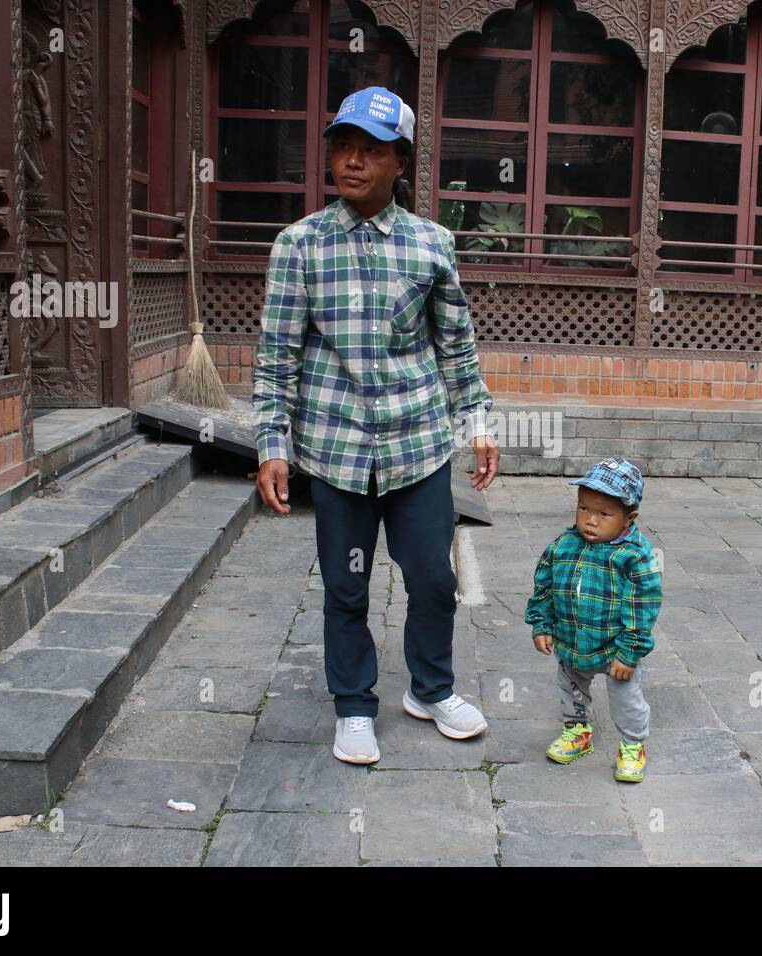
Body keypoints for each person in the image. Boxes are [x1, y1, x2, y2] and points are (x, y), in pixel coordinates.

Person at [252, 87, 500, 766]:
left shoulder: (431, 245)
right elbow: (275, 359)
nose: (351, 160)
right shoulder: (299, 246)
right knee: (346, 585)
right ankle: (355, 704)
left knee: (433, 578)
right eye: (341, 146)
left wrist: (477, 420)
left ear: (400, 162)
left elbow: (456, 345)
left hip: (417, 447)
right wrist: (272, 445)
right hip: (335, 452)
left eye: (370, 149)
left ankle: (431, 689)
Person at [525, 458, 662, 783]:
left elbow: (643, 607)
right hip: (572, 640)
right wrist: (541, 623)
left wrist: (630, 651)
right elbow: (543, 585)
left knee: (626, 699)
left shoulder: (635, 555)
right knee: (569, 689)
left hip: (615, 648)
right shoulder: (563, 545)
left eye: (604, 514)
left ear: (629, 518)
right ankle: (578, 732)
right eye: (584, 508)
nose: (591, 520)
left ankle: (632, 745)